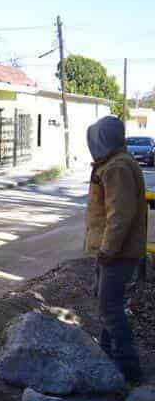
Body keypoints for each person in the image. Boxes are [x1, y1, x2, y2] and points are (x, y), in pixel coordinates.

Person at [85, 115, 146, 383]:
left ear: (102, 140)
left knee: (109, 307)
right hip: (116, 251)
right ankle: (107, 355)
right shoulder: (113, 163)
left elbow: (120, 215)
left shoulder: (116, 168)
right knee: (107, 304)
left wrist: (108, 250)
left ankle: (128, 369)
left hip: (117, 253)